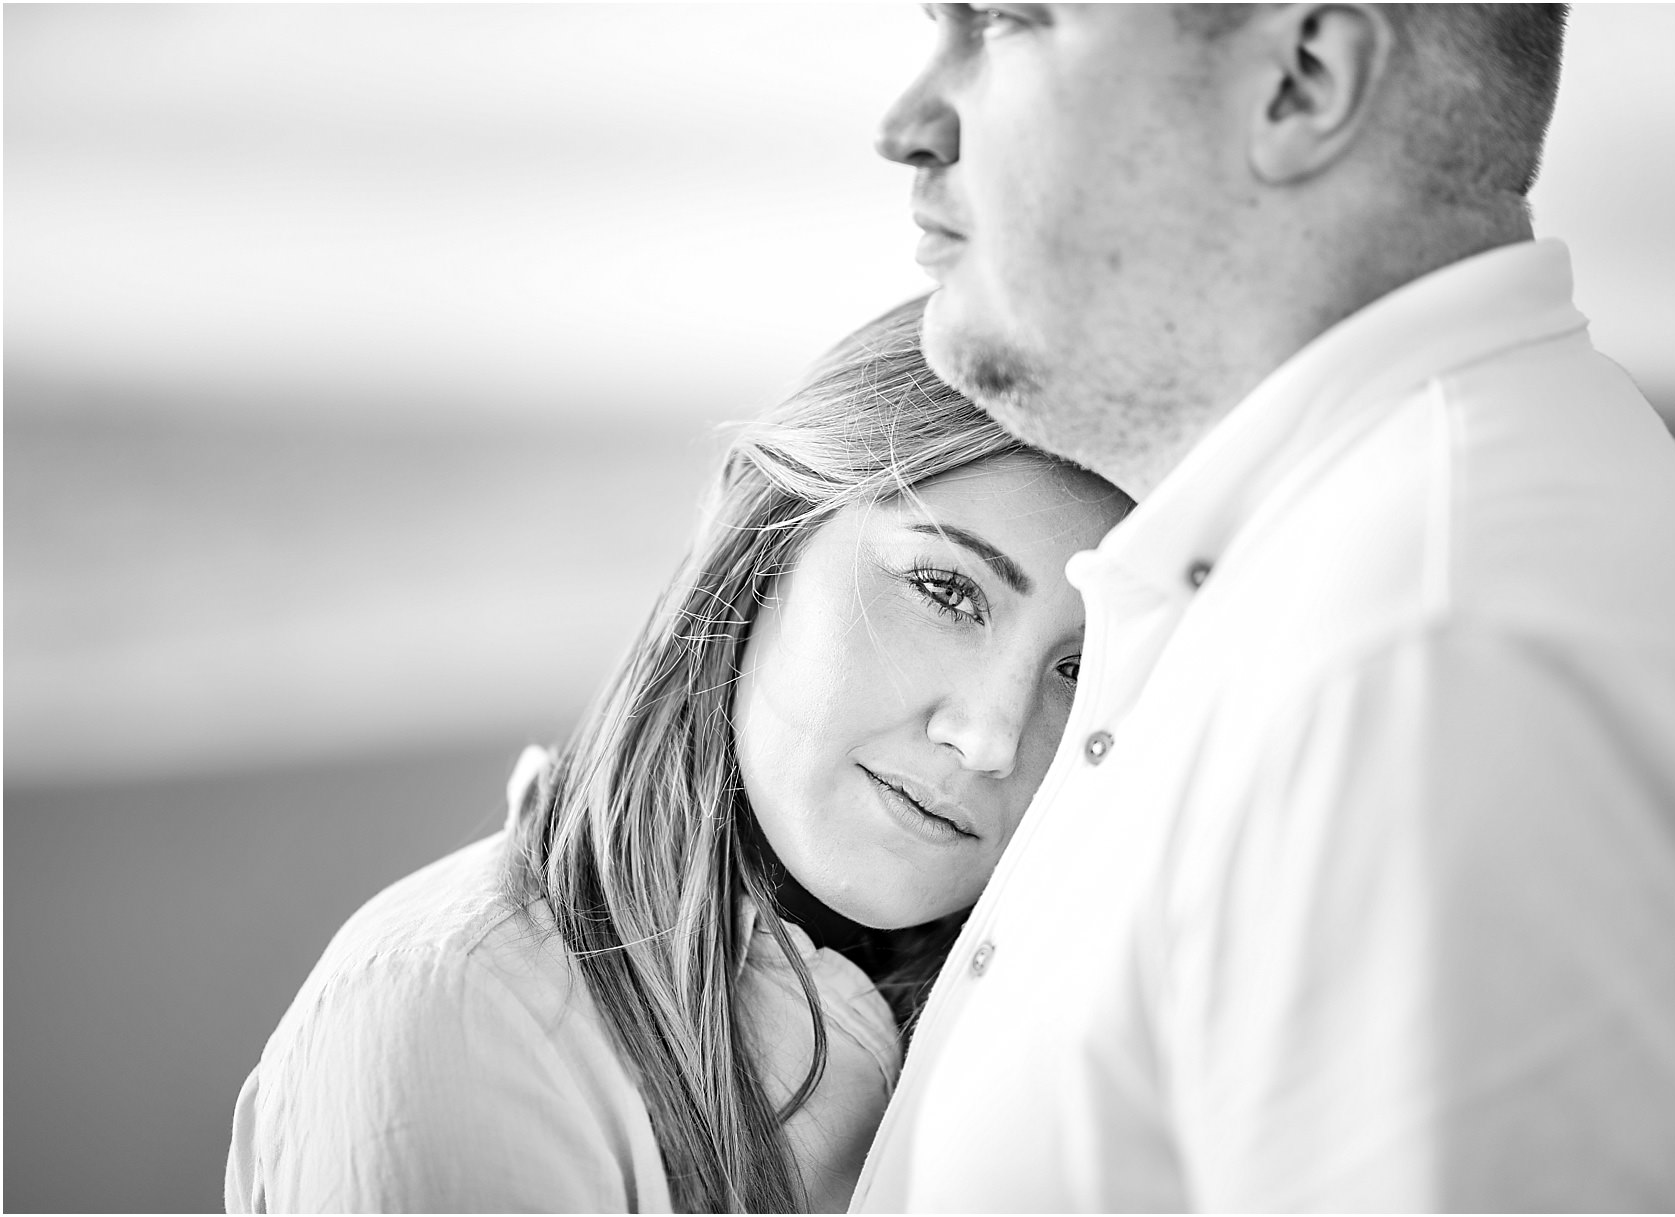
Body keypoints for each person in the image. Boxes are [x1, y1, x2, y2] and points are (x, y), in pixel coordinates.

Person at [856, 4, 1675, 1211]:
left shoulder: (1422, 666)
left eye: (1002, 23)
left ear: (1302, 80)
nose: (908, 126)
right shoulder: (1361, 577)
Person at [224, 297, 1129, 1213]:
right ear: (760, 542)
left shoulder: (1083, 1055)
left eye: (1082, 668)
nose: (991, 737)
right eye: (945, 590)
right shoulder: (464, 1017)